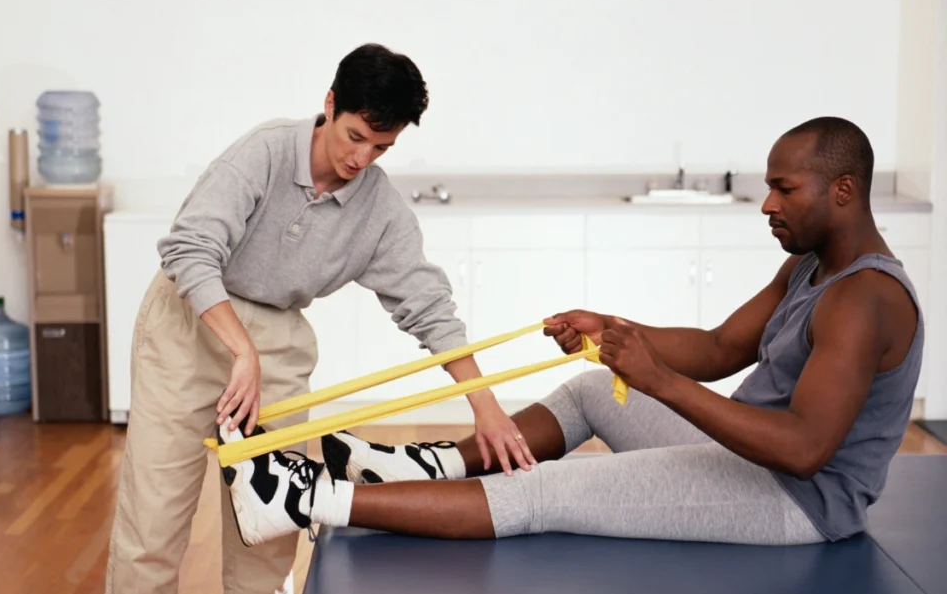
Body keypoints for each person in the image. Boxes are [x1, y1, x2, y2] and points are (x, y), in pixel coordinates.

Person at [218, 115, 924, 550]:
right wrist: (612, 332)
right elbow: (717, 347)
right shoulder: (809, 266)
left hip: (796, 501)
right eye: (768, 186)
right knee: (593, 388)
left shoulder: (865, 298)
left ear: (843, 192)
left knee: (545, 493)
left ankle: (305, 499)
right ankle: (435, 467)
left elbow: (804, 449)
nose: (767, 204)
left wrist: (659, 380)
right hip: (746, 453)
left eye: (785, 189)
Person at [101, 43, 532, 594]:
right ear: (329, 106)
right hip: (189, 328)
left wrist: (485, 405)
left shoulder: (378, 211)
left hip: (274, 345)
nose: (361, 158)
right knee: (151, 539)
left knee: (266, 540)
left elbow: (429, 307)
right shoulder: (265, 152)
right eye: (356, 136)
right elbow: (189, 247)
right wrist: (236, 347)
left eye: (381, 148)